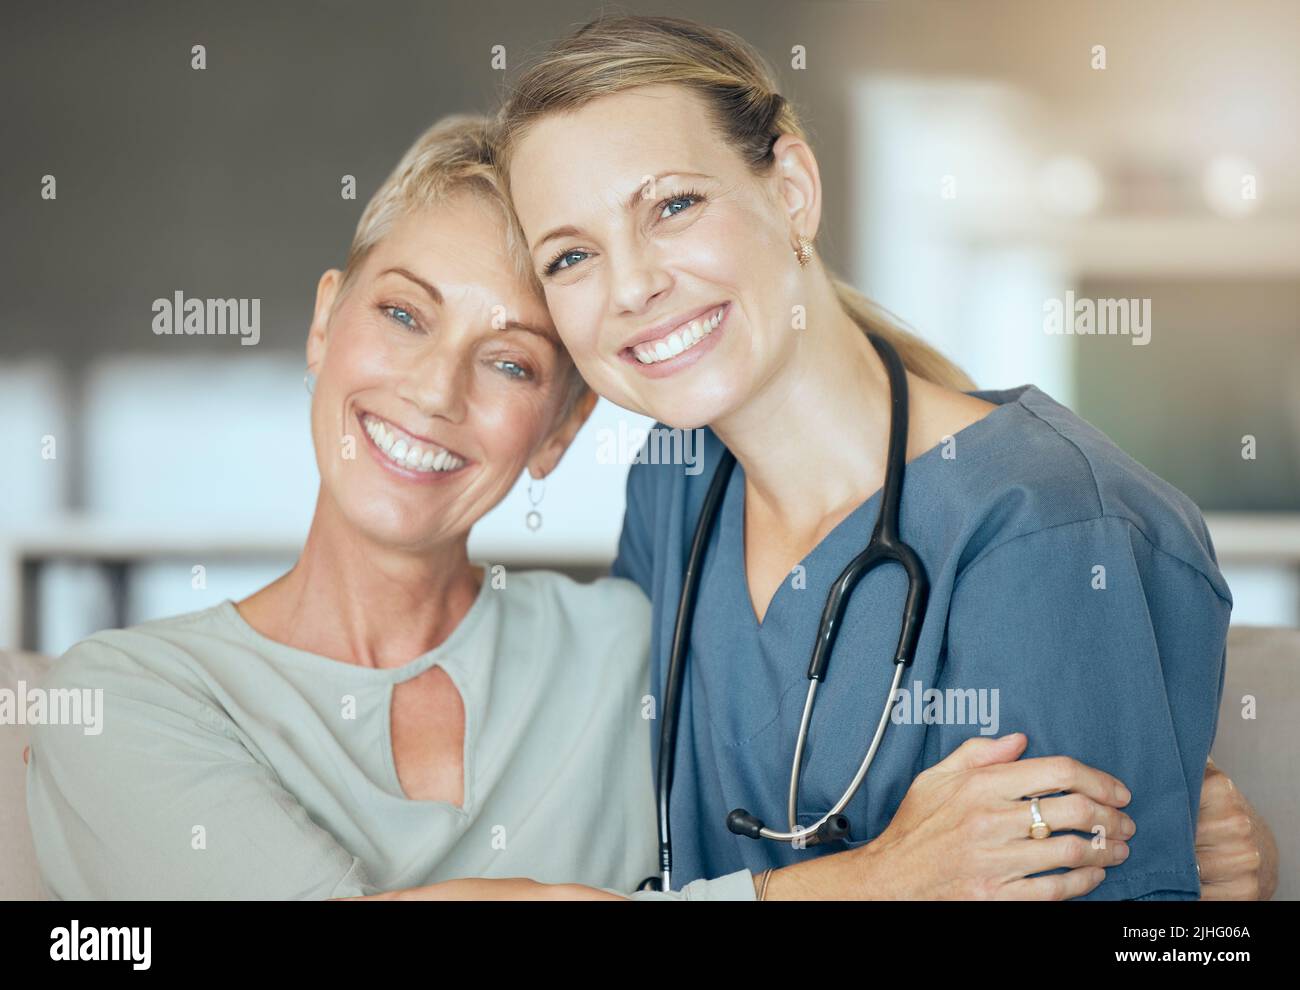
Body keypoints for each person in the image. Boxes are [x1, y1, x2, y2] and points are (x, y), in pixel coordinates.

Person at [24, 109, 1273, 902]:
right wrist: (874, 885)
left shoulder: (629, 642)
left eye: (512, 360)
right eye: (402, 313)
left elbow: (899, 806)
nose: (434, 389)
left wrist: (1198, 897)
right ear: (320, 323)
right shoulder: (117, 705)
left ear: (564, 426)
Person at [494, 14, 1276, 899]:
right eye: (571, 257)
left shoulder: (1048, 530)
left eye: (673, 206)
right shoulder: (675, 486)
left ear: (791, 189)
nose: (632, 285)